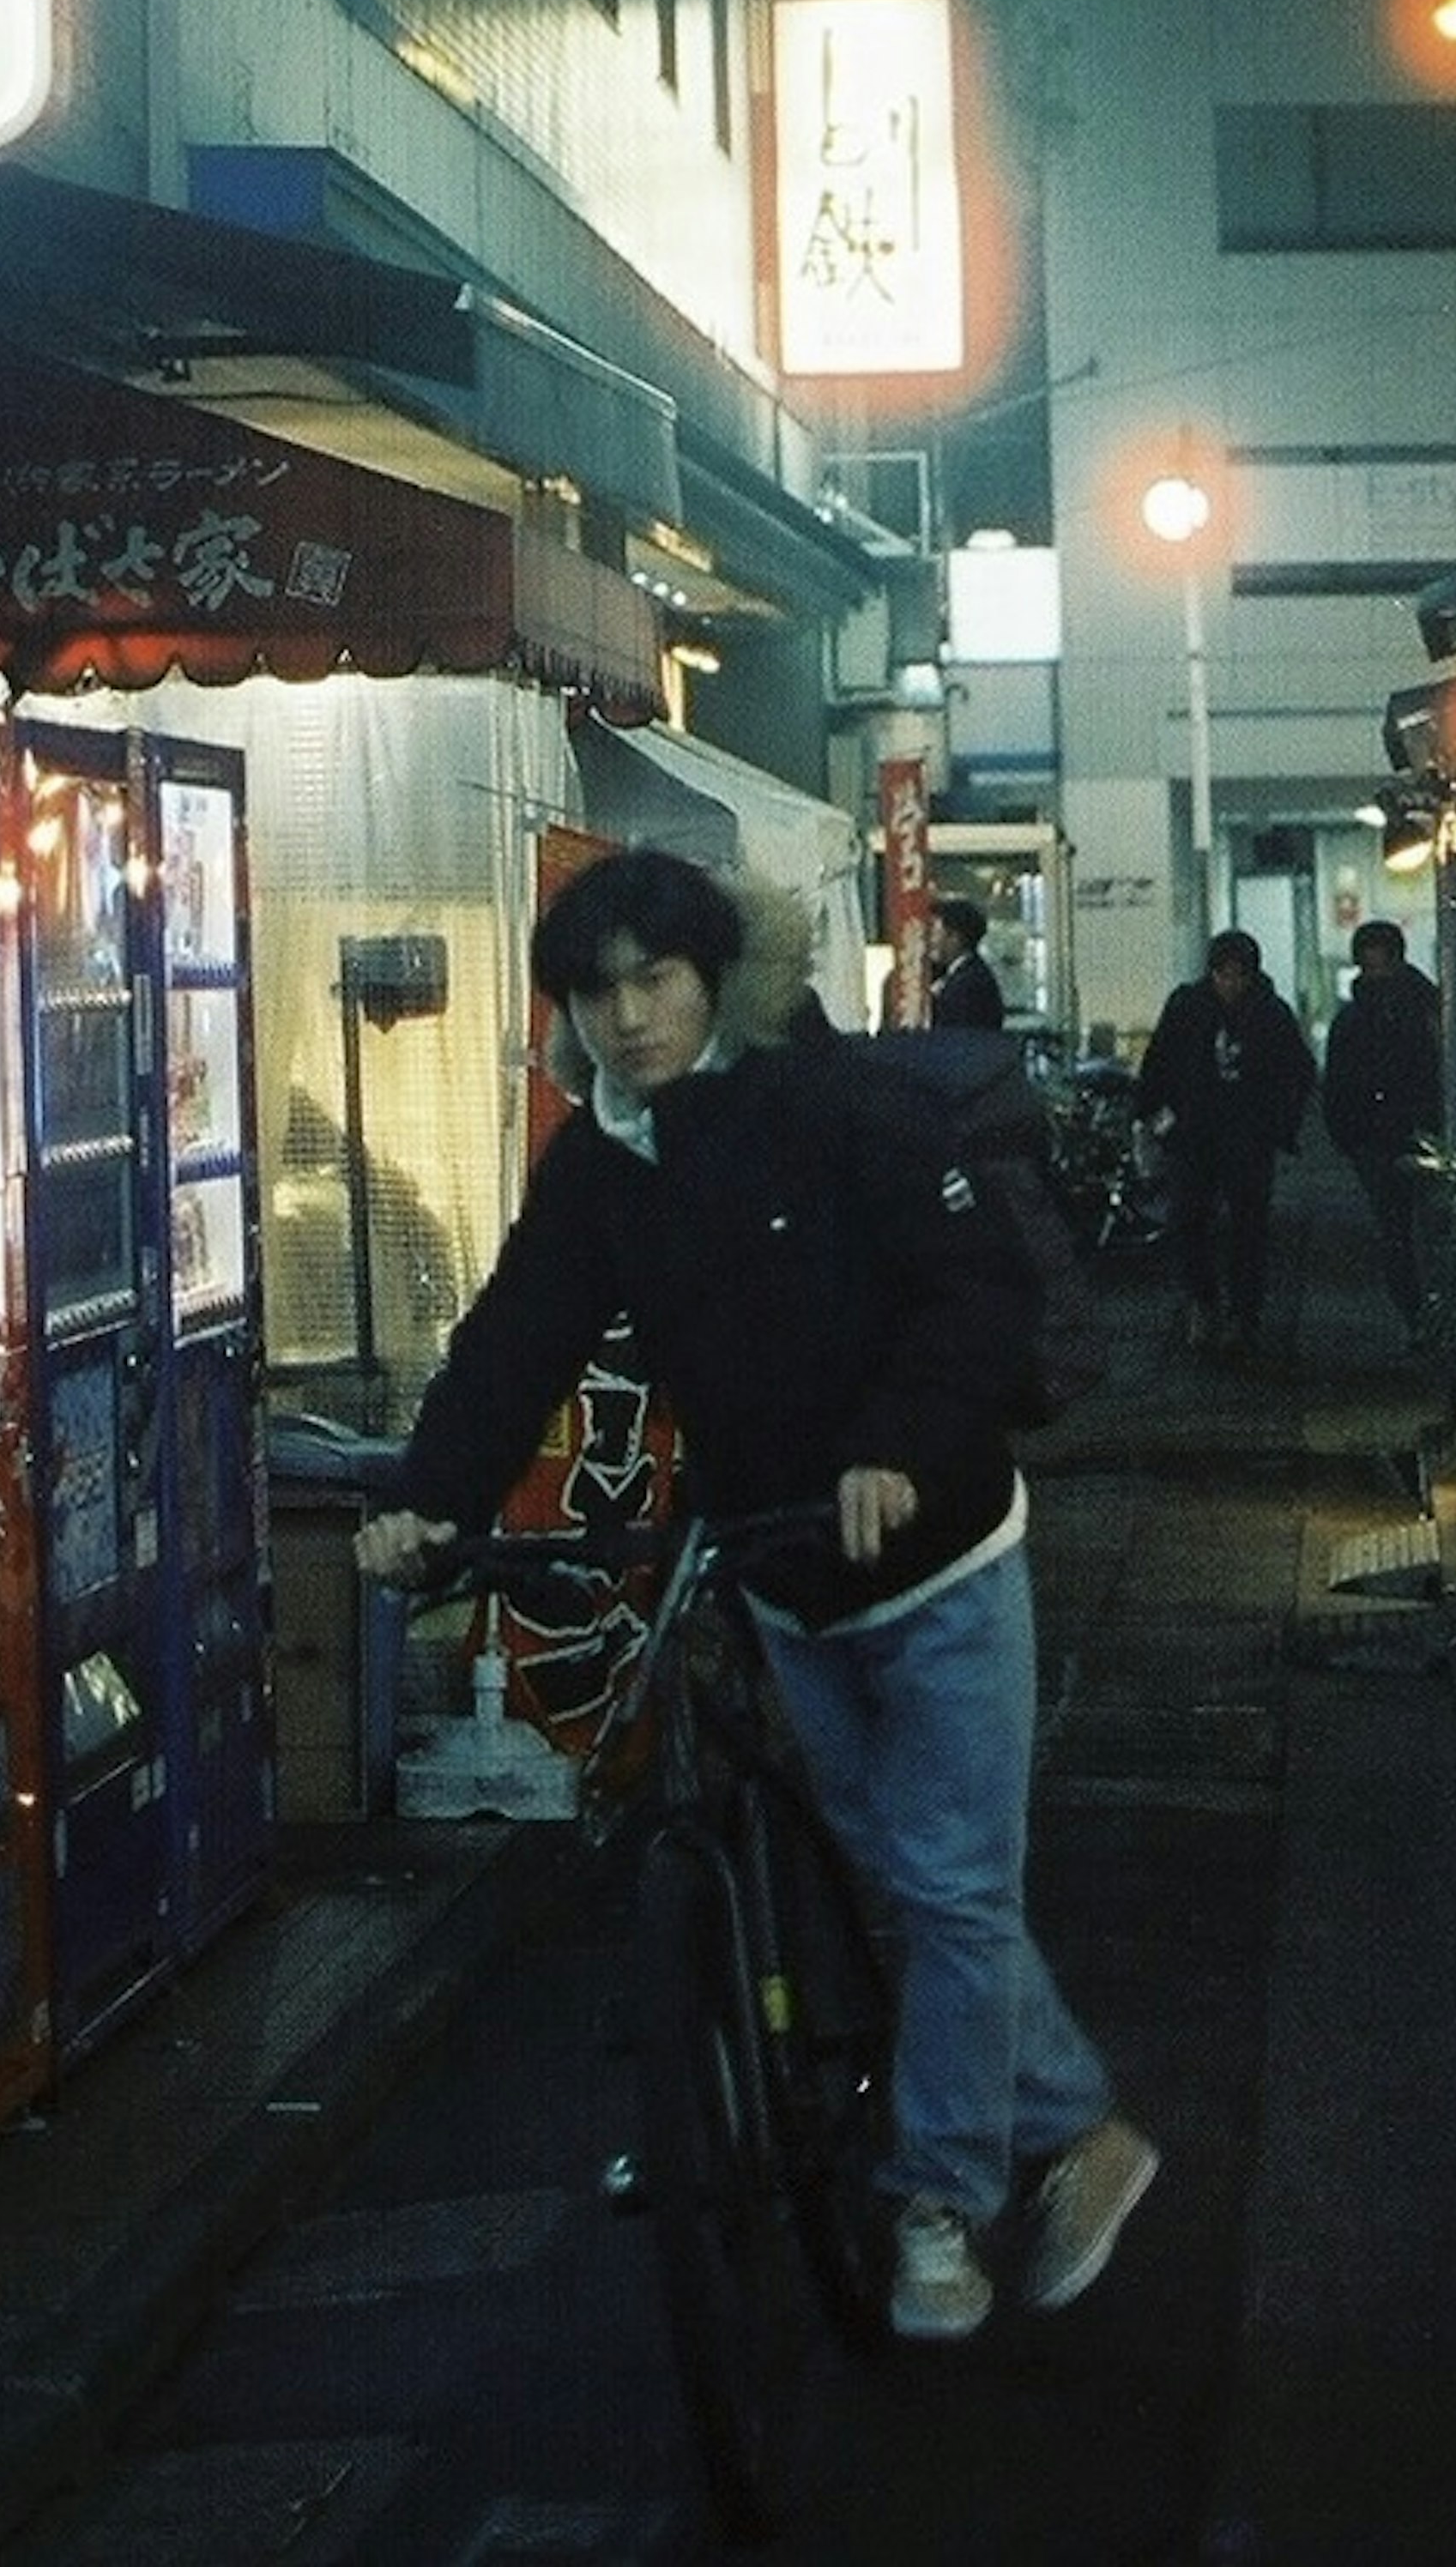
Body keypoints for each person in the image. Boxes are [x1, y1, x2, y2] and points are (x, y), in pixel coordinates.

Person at [351, 843, 1156, 2347]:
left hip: (943, 1560)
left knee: (950, 1884)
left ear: (713, 975)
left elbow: (976, 1289)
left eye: (653, 978)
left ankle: (938, 2200)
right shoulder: (598, 1165)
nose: (629, 1016)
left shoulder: (837, 1104)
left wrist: (896, 1449)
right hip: (783, 1577)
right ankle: (1087, 2127)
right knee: (906, 1881)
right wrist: (426, 1503)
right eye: (597, 993)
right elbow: (519, 1337)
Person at [1135, 927, 1315, 1356]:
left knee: (1247, 1228)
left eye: (1238, 975)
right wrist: (1158, 1119)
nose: (1231, 984)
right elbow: (1158, 1064)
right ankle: (1206, 1303)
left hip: (1245, 1138)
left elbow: (1299, 1073)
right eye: (1223, 974)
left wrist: (1277, 1126)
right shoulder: (1190, 1007)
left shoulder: (1270, 1013)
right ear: (1211, 973)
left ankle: (1240, 1314)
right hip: (1195, 1137)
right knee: (1189, 1220)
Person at [1323, 917, 1447, 1338]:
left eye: (1381, 966)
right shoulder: (1427, 1006)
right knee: (1409, 1234)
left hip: (1407, 1137)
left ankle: (1427, 1321)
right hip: (1392, 1139)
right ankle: (1424, 1321)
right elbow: (1337, 1084)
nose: (1375, 976)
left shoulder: (1365, 1015)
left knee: (1414, 1235)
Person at [926, 895, 1007, 1031]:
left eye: (935, 932)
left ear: (954, 938)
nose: (930, 940)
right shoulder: (962, 974)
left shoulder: (968, 984)